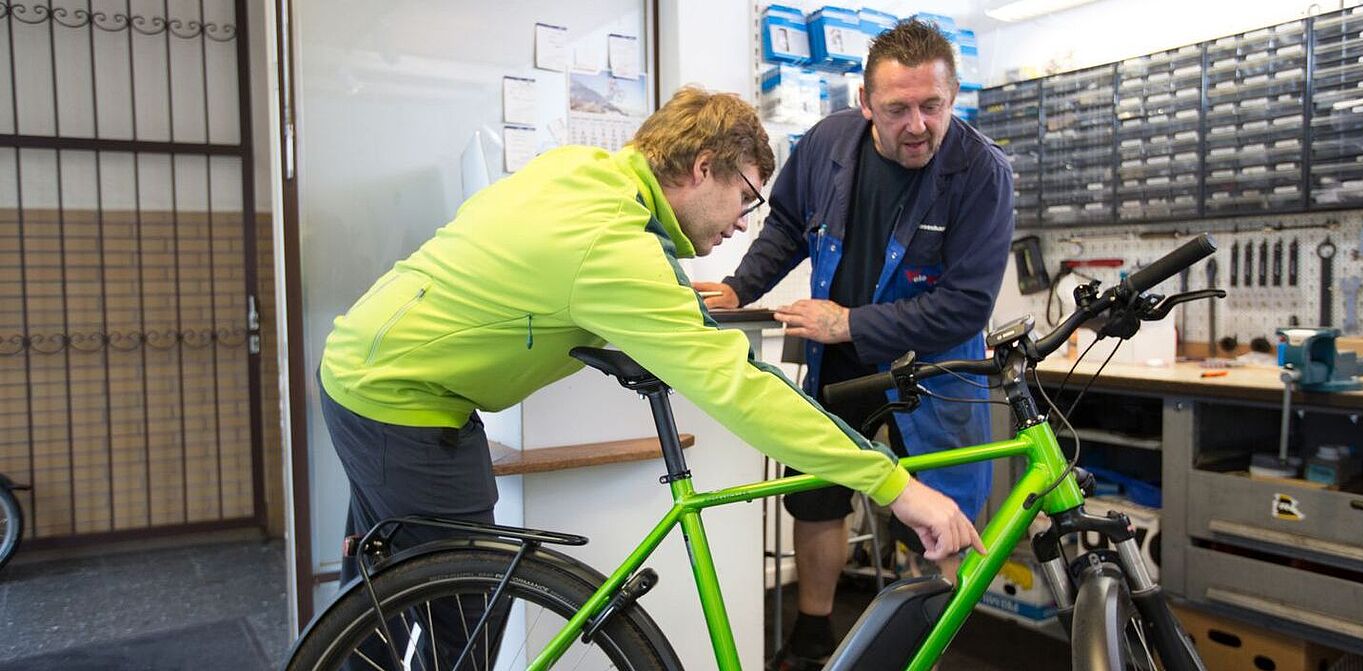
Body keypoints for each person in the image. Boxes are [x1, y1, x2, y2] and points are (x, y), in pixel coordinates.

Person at [317, 85, 985, 666]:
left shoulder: (580, 171)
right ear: (703, 169)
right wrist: (895, 484)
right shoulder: (615, 247)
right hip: (402, 400)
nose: (742, 224)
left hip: (367, 363)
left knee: (382, 599)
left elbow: (539, 274)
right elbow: (739, 386)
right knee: (459, 629)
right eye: (746, 198)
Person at [694, 19, 1014, 669]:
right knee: (817, 492)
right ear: (865, 103)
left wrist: (850, 322)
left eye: (933, 106)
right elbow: (785, 223)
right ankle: (813, 634)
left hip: (933, 369)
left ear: (952, 98)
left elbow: (965, 305)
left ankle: (922, 644)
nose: (918, 124)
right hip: (835, 362)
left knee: (938, 510)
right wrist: (738, 286)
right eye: (898, 109)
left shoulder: (983, 173)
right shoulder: (827, 143)